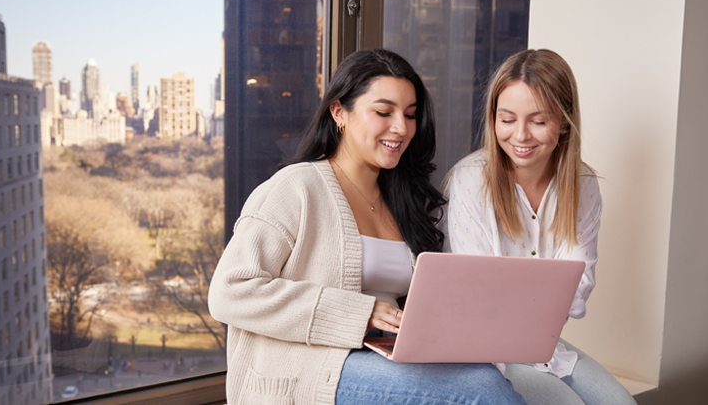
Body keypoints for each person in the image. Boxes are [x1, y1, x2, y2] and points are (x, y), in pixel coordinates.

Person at [208, 49, 527, 405]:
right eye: (383, 112)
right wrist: (360, 313)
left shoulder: (403, 199)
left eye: (409, 115)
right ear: (339, 112)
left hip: (388, 357)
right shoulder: (296, 188)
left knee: (485, 375)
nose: (401, 128)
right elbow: (229, 292)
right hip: (314, 369)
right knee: (483, 392)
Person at [442, 49, 637, 405]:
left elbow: (577, 287)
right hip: (478, 348)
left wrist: (530, 305)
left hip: (542, 343)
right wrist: (540, 299)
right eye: (507, 119)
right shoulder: (470, 180)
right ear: (493, 120)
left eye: (538, 120)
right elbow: (479, 296)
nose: (521, 135)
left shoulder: (583, 183)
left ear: (563, 122)